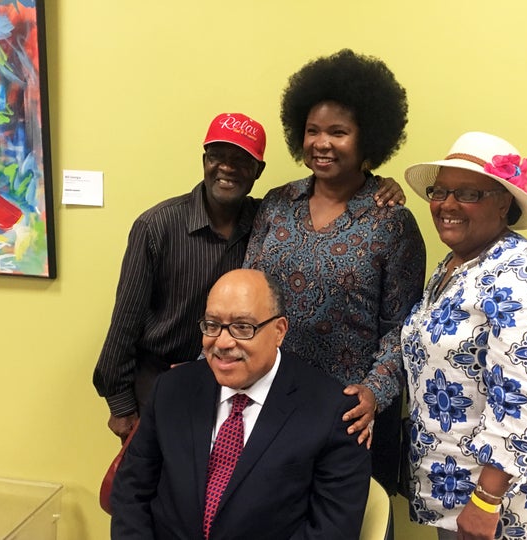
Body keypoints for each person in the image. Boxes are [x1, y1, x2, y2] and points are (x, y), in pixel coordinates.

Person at [93, 112, 406, 441]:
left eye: (241, 160)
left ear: (258, 171)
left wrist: (378, 182)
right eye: (217, 156)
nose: (227, 168)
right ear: (204, 160)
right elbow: (124, 326)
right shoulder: (160, 226)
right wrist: (121, 406)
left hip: (266, 391)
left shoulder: (266, 212)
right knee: (155, 484)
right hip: (167, 381)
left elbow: (398, 325)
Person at [244, 49, 426, 494]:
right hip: (268, 402)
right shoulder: (277, 203)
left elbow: (402, 330)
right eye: (312, 131)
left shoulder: (392, 222)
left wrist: (374, 393)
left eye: (338, 132)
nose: (321, 143)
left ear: (369, 139)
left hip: (347, 415)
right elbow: (247, 293)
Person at [400, 132, 527, 539]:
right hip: (456, 489)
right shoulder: (456, 264)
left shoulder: (525, 277)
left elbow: (523, 400)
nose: (446, 205)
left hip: (504, 505)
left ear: (504, 202)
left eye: (467, 193)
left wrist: (485, 500)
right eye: (440, 191)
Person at [110, 269, 371, 539]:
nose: (222, 342)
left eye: (243, 327)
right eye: (212, 325)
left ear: (279, 331)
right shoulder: (171, 389)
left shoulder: (334, 412)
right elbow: (131, 493)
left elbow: (331, 532)